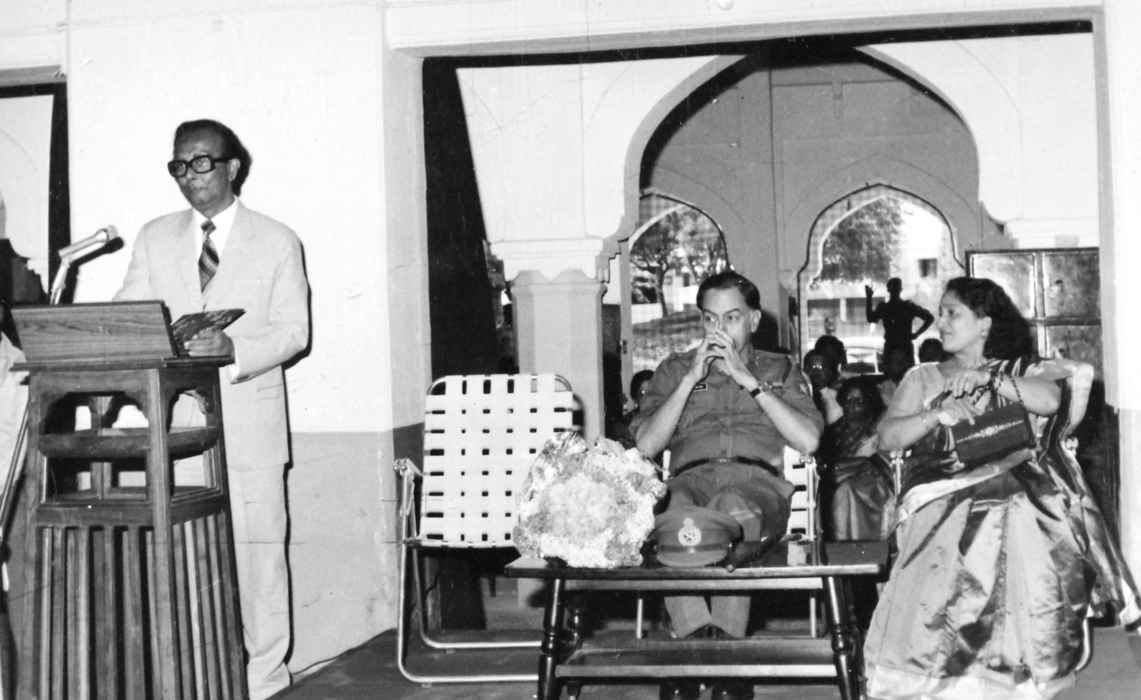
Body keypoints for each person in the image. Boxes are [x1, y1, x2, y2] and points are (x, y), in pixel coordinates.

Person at [864, 276, 1141, 699]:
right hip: (941, 484)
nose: (941, 322)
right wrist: (935, 416)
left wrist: (988, 380)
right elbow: (887, 438)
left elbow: (1049, 400)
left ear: (984, 323)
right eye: (940, 313)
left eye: (952, 313)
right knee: (974, 510)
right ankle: (945, 664)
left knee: (1025, 503)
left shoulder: (1019, 370)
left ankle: (1020, 663)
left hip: (1018, 482)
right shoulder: (922, 376)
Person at [116, 119, 310, 699]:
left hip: (250, 427)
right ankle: (198, 681)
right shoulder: (154, 237)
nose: (190, 175)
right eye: (179, 165)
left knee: (258, 561)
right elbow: (130, 313)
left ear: (232, 167)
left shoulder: (277, 239)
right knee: (185, 558)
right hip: (176, 428)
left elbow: (294, 332)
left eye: (202, 162)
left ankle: (265, 680)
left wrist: (234, 349)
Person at [632, 271, 822, 700]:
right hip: (690, 479)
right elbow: (646, 445)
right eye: (710, 319)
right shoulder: (674, 369)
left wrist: (747, 380)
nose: (719, 330)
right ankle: (711, 650)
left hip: (756, 485)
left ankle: (700, 655)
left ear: (753, 320)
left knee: (731, 505)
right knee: (677, 510)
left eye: (732, 318)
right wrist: (689, 380)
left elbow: (809, 440)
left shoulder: (780, 369)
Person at [817, 376, 891, 542]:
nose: (852, 405)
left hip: (871, 484)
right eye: (848, 400)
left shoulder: (878, 429)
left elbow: (880, 463)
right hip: (836, 479)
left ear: (869, 403)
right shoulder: (833, 431)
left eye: (859, 401)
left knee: (846, 489)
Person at [865, 277, 934, 357]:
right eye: (894, 288)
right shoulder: (908, 306)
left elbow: (871, 319)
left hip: (893, 347)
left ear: (888, 290)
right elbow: (930, 318)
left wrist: (869, 298)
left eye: (895, 288)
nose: (895, 290)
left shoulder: (885, 307)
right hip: (902, 347)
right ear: (901, 289)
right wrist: (917, 334)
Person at [802, 349, 842, 424]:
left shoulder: (839, 399)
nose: (816, 371)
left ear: (830, 372)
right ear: (804, 370)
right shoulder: (796, 394)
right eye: (811, 366)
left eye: (821, 367)